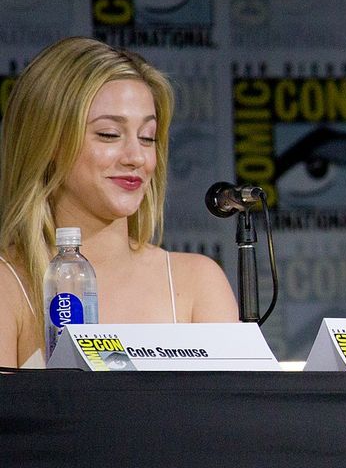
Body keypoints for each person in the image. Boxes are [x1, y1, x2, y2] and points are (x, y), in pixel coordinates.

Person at [0, 36, 239, 369]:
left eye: (147, 137)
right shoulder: (8, 283)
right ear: (48, 141)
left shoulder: (198, 282)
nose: (136, 157)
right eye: (109, 134)